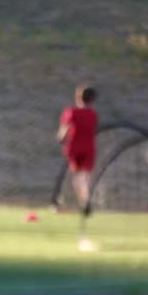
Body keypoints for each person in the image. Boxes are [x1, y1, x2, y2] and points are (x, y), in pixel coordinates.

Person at [56, 85, 98, 216]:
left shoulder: (71, 112)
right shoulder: (93, 114)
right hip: (89, 148)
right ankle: (85, 202)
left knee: (77, 177)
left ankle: (84, 202)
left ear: (78, 98)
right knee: (84, 176)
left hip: (74, 147)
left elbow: (65, 129)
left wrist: (61, 138)